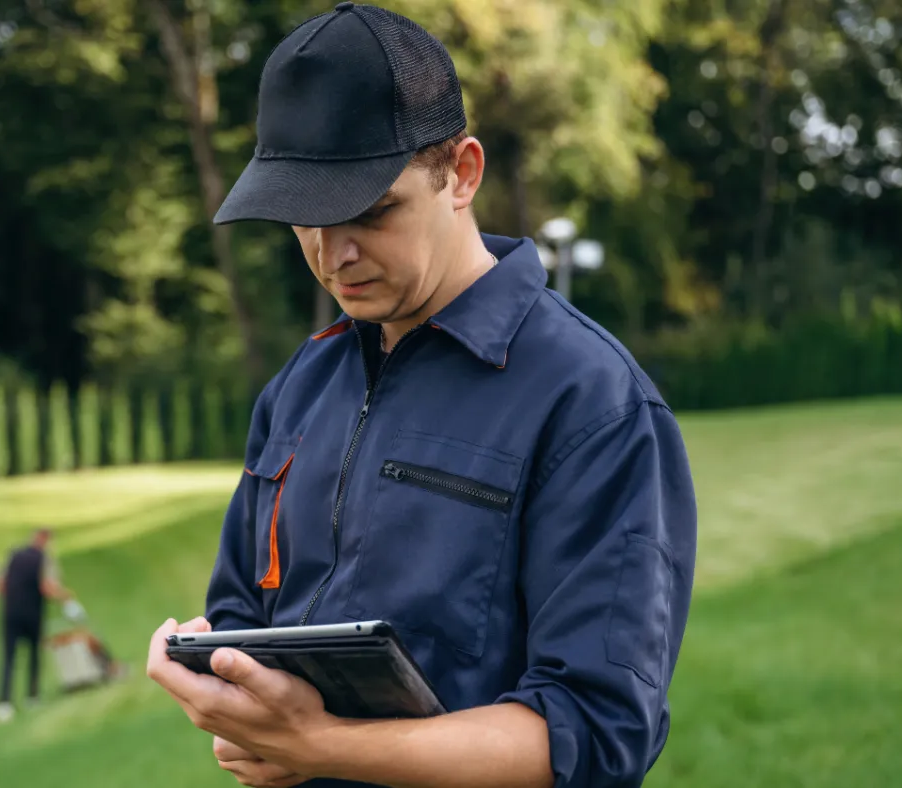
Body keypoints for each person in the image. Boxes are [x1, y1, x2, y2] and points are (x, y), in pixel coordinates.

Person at [144, 3, 698, 787]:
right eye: (303, 218)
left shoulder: (591, 402)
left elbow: (596, 733)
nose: (334, 255)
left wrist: (320, 744)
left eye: (370, 212)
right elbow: (243, 616)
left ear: (461, 173)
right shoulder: (299, 387)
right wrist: (237, 701)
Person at [0, 527, 73, 722]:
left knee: (9, 657)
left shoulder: (13, 555)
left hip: (10, 613)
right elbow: (47, 586)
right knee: (34, 654)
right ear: (45, 540)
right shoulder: (44, 558)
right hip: (32, 613)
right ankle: (32, 697)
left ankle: (4, 703)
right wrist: (66, 598)